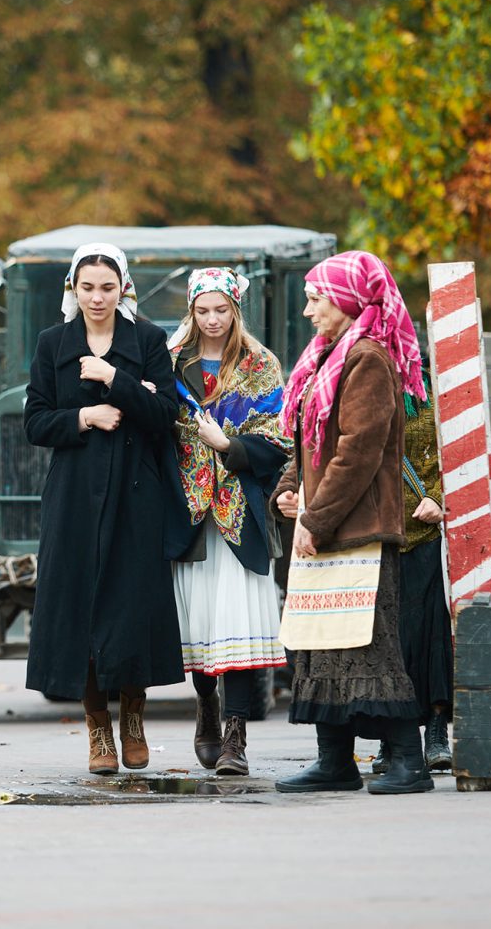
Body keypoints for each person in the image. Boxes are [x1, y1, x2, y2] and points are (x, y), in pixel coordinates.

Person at [269, 250, 430, 795]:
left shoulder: (367, 359)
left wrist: (315, 519)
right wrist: (290, 491)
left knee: (371, 644)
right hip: (327, 525)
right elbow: (307, 439)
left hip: (358, 528)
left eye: (316, 298)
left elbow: (358, 450)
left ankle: (411, 760)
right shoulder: (322, 357)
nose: (309, 310)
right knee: (319, 643)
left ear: (346, 299)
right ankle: (334, 759)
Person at [24, 241, 183, 775]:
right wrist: (87, 417)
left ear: (123, 289)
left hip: (137, 496)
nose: (97, 297)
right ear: (74, 289)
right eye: (87, 287)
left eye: (107, 287)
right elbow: (35, 421)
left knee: (130, 609)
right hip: (73, 499)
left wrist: (116, 380)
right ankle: (97, 728)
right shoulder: (52, 344)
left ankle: (133, 718)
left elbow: (164, 414)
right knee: (82, 613)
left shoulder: (149, 339)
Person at [164, 267, 290, 775]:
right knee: (201, 620)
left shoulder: (260, 364)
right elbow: (161, 428)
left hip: (241, 509)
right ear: (191, 312)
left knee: (237, 622)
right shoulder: (174, 363)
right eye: (202, 310)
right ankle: (206, 705)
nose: (212, 320)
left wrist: (229, 446)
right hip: (190, 508)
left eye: (221, 310)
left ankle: (235, 737)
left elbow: (278, 441)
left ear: (235, 309)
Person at [378, 361, 453, 774]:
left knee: (431, 633)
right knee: (390, 641)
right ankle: (393, 736)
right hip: (380, 536)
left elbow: (458, 453)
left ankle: (437, 729)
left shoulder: (434, 395)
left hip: (426, 534)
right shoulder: (365, 388)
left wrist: (439, 497)